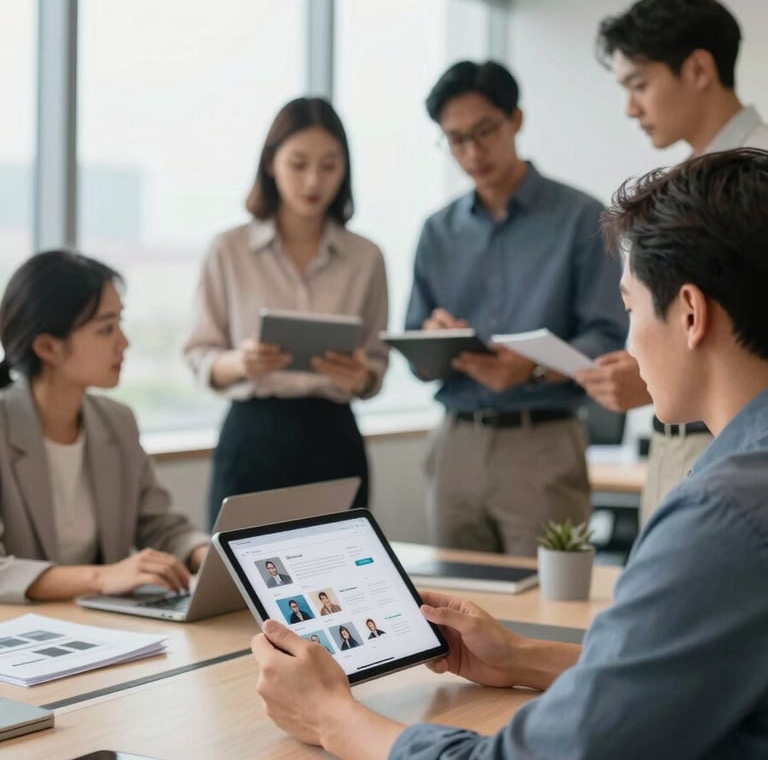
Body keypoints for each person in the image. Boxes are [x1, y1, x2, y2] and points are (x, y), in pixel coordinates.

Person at [251, 147, 768, 760]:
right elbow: (681, 676)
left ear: (690, 314)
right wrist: (521, 656)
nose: (629, 342)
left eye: (630, 308)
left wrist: (330, 716)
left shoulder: (724, 514)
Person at [405, 60, 627, 555]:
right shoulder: (437, 231)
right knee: (452, 596)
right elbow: (415, 353)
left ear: (516, 120)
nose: (473, 152)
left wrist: (532, 368)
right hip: (456, 442)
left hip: (542, 442)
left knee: (553, 595)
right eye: (456, 139)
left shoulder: (582, 217)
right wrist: (433, 339)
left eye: (485, 131)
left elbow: (607, 337)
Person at [578, 0, 768, 521]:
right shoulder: (678, 187)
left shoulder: (760, 178)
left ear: (699, 68)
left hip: (735, 446)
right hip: (674, 443)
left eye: (640, 84)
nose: (630, 108)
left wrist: (661, 374)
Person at [184, 97, 389, 526]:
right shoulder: (229, 249)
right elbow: (199, 354)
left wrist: (361, 376)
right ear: (270, 164)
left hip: (334, 436)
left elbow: (376, 366)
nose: (313, 180)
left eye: (329, 166)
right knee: (237, 564)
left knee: (341, 562)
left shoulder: (366, 257)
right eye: (298, 164)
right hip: (254, 433)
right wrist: (241, 362)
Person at [0, 250, 209, 604]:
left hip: (103, 620)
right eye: (106, 329)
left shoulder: (117, 421)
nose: (124, 342)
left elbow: (159, 526)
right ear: (48, 347)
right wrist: (102, 577)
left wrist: (209, 555)